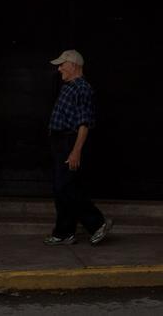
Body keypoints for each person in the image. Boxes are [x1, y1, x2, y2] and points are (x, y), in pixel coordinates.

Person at [44, 49, 113, 246]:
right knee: (62, 189)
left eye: (62, 65)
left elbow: (84, 124)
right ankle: (64, 232)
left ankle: (98, 223)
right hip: (60, 142)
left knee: (65, 187)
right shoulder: (69, 86)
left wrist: (75, 151)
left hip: (69, 142)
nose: (59, 69)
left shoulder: (82, 88)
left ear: (73, 65)